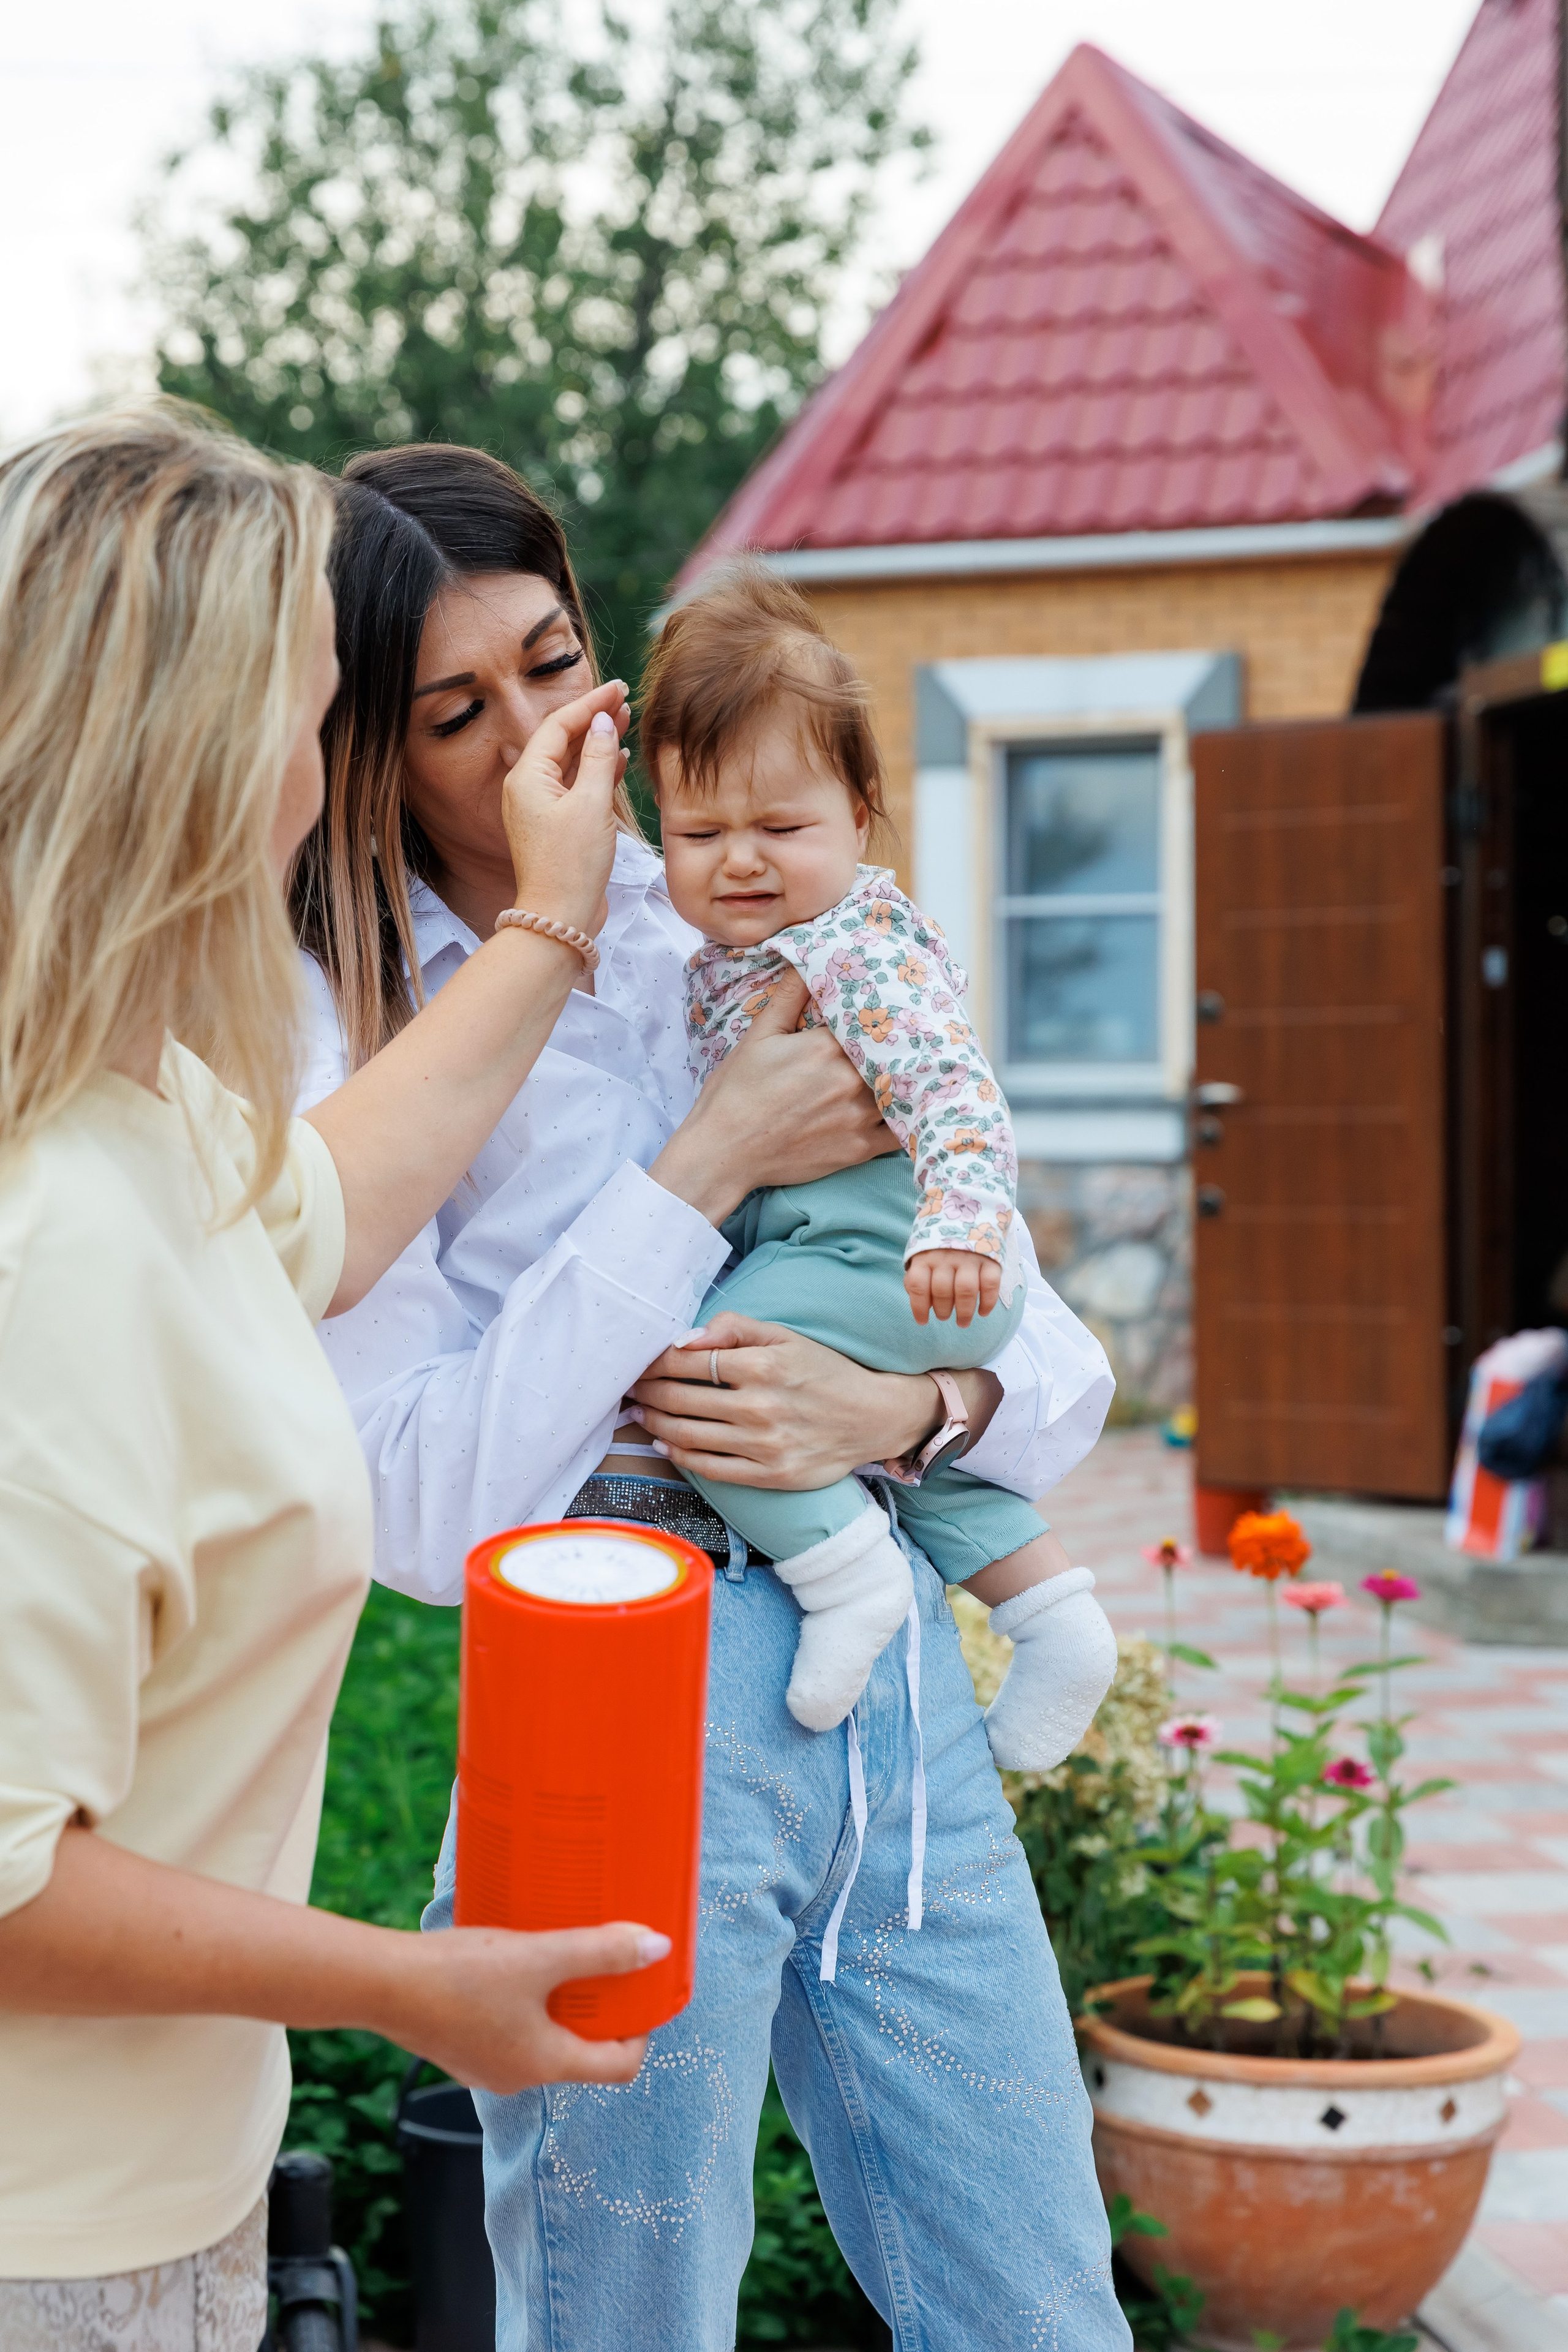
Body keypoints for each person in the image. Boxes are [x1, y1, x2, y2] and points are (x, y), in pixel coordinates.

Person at [299, 440, 1131, 2351]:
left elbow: (1051, 1359)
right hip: (612, 1690)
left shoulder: (758, 907)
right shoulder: (348, 1019)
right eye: (455, 712)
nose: (534, 740)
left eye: (554, 663)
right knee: (620, 2323)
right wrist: (704, 1165)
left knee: (1041, 2312)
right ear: (366, 748)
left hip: (897, 1673)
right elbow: (424, 1513)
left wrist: (894, 1419)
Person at [0, 406, 672, 2352]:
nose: (332, 779)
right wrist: (406, 1979)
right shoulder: (49, 1246)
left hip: (157, 2185)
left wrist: (549, 919)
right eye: (324, 722)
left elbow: (335, 1204)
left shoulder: (145, 1116)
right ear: (207, 769)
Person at [640, 562, 1120, 1763]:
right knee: (879, 1447)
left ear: (860, 814)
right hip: (858, 1264)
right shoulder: (741, 951)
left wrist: (960, 1222)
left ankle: (840, 1571)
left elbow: (951, 1085)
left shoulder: (853, 943)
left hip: (896, 1255)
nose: (740, 860)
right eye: (700, 833)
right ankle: (1052, 1612)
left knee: (711, 1376)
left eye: (781, 827)